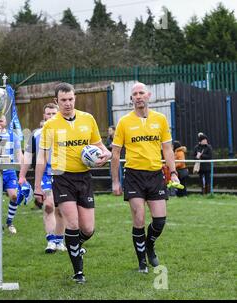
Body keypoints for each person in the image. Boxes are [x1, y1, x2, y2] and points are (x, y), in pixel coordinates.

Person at [34, 83, 111, 284]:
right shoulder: (51, 125)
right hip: (62, 177)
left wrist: (107, 153)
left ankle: (74, 245)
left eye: (70, 99)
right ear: (56, 101)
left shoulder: (88, 119)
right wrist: (37, 186)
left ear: (74, 98)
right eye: (63, 100)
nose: (67, 103)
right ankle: (78, 273)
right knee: (73, 223)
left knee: (87, 229)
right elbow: (41, 156)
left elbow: (99, 146)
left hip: (84, 177)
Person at [111, 82, 179, 274]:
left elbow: (167, 148)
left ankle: (149, 246)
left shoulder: (161, 119)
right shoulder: (124, 122)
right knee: (139, 218)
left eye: (142, 93)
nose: (139, 96)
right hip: (133, 175)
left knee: (159, 221)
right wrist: (116, 181)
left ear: (148, 95)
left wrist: (173, 172)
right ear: (131, 99)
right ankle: (142, 261)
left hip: (156, 174)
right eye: (135, 94)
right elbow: (115, 153)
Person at [19, 102, 66, 253]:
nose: (51, 116)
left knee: (60, 209)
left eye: (54, 113)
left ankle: (60, 240)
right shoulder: (36, 134)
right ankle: (51, 240)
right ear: (44, 116)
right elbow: (28, 155)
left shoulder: (66, 130)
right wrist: (22, 175)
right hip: (45, 173)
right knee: (48, 206)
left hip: (63, 173)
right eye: (48, 114)